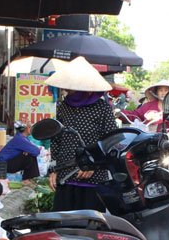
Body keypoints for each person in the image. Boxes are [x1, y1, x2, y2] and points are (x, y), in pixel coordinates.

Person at [45, 57, 118, 212]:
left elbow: (111, 140)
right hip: (66, 174)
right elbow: (57, 139)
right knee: (63, 224)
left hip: (93, 177)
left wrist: (95, 163)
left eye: (69, 85)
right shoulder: (64, 106)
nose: (65, 89)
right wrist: (54, 169)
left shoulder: (102, 108)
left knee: (89, 227)